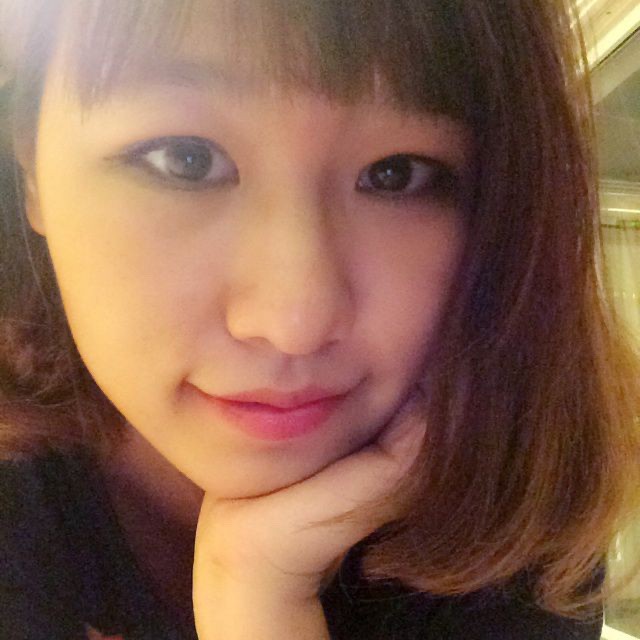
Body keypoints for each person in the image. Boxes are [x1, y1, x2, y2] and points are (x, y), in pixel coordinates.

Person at [1, 0, 640, 638]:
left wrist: (256, 601)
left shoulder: (518, 527)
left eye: (395, 175)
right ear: (29, 164)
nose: (294, 323)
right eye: (185, 159)